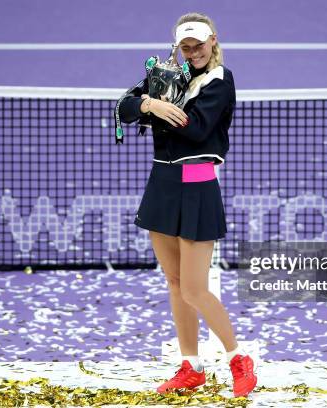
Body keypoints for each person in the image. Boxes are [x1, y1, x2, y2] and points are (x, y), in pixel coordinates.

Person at [116, 12, 258, 398]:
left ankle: (239, 359)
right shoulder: (167, 75)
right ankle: (190, 367)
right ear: (178, 46)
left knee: (195, 289)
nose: (193, 52)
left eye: (199, 44)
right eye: (186, 46)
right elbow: (123, 108)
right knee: (176, 284)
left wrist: (158, 108)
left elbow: (196, 129)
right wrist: (148, 103)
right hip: (162, 184)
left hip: (196, 187)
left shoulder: (220, 81)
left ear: (213, 40)